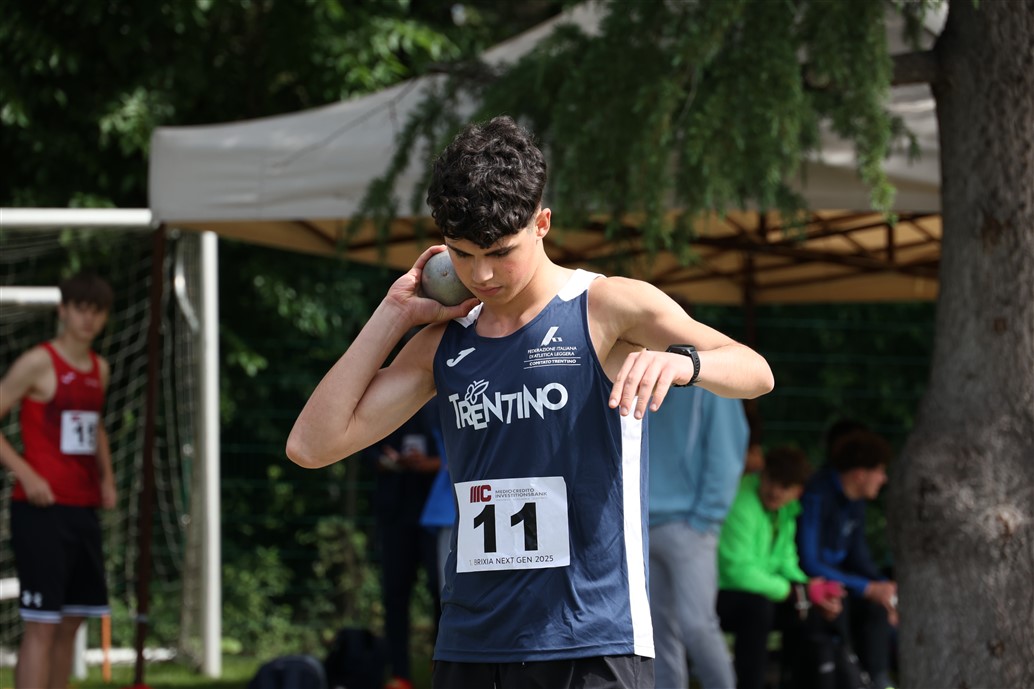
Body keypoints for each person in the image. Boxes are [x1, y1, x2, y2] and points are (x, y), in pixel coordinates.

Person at [287, 115, 774, 689]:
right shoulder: (445, 342)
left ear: (542, 223)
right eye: (461, 254)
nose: (482, 274)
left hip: (593, 639)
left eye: (500, 252)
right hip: (472, 642)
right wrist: (393, 313)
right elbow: (311, 445)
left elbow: (756, 371)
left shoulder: (607, 306)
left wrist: (686, 363)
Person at [0, 272, 117, 689]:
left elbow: (93, 423)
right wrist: (26, 473)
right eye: (80, 309)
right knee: (42, 623)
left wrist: (107, 478)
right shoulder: (38, 362)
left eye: (96, 311)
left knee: (72, 620)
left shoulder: (100, 368)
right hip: (41, 510)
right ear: (63, 310)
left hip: (82, 509)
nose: (88, 319)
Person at [647, 377, 749, 689]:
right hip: (642, 524)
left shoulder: (709, 378)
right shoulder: (635, 368)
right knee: (655, 631)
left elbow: (727, 452)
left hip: (690, 526)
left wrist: (707, 517)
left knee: (698, 626)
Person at [716, 446, 843, 689]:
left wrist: (809, 589)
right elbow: (736, 571)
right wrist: (793, 591)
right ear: (762, 475)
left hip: (758, 591)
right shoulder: (741, 502)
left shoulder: (786, 510)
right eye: (771, 480)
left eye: (784, 486)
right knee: (758, 609)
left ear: (798, 491)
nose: (775, 491)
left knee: (810, 610)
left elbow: (786, 561)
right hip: (717, 593)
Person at [796, 427, 897, 689]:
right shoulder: (817, 495)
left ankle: (878, 680)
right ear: (860, 474)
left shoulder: (856, 503)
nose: (884, 479)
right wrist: (866, 587)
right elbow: (810, 561)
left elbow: (858, 555)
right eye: (880, 471)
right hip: (814, 588)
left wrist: (883, 588)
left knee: (876, 608)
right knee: (839, 606)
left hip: (842, 585)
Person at [364, 400, 443, 689]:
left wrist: (431, 464)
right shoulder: (388, 400)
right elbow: (368, 452)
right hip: (395, 515)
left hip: (439, 515)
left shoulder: (444, 396)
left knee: (442, 592)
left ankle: (443, 667)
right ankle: (400, 675)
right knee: (395, 594)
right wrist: (391, 462)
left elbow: (458, 455)